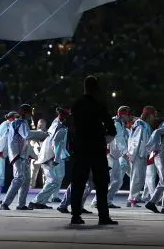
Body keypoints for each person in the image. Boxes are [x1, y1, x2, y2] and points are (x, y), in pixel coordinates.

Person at [67, 75, 117, 227]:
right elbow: (111, 128)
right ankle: (103, 216)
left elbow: (71, 128)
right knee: (101, 184)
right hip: (96, 148)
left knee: (78, 183)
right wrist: (103, 141)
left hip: (80, 148)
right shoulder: (98, 104)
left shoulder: (76, 104)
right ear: (96, 88)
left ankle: (75, 215)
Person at [2, 103, 43, 211]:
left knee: (26, 179)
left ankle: (21, 204)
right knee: (19, 178)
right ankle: (5, 203)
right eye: (29, 112)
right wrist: (42, 134)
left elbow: (26, 141)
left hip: (23, 155)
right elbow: (27, 135)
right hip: (17, 155)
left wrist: (33, 156)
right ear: (25, 112)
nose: (31, 115)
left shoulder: (21, 123)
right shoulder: (19, 123)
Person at [31, 108, 69, 209]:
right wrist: (56, 159)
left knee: (52, 181)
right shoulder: (60, 128)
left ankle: (40, 202)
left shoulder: (55, 123)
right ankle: (36, 201)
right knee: (53, 181)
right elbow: (56, 144)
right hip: (49, 157)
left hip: (48, 156)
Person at [127, 106, 156, 206]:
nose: (154, 117)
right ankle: (132, 199)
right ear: (149, 115)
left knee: (139, 178)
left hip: (141, 155)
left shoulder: (145, 125)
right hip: (138, 155)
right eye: (153, 115)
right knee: (137, 178)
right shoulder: (141, 126)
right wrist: (132, 155)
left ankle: (133, 198)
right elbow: (135, 141)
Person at [105, 106, 132, 208]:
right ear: (123, 115)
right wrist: (125, 153)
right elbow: (119, 139)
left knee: (116, 180)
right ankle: (102, 201)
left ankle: (104, 200)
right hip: (110, 156)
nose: (128, 117)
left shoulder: (119, 124)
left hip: (114, 156)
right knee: (111, 180)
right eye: (127, 115)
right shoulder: (116, 123)